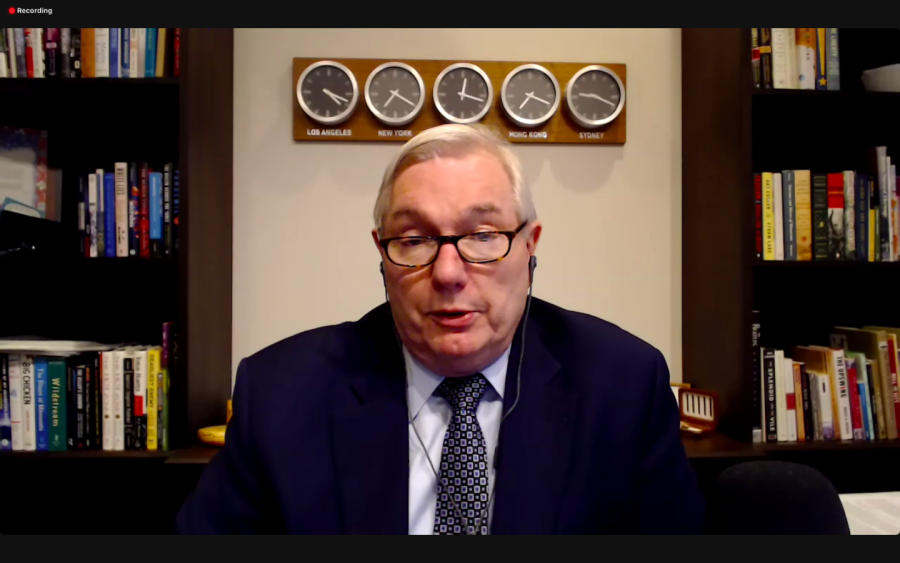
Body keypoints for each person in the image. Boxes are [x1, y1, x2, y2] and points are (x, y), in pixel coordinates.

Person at [177, 124, 704, 534]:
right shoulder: (281, 393)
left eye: (481, 235)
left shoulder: (622, 384)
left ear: (530, 244)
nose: (448, 274)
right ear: (382, 253)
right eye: (413, 240)